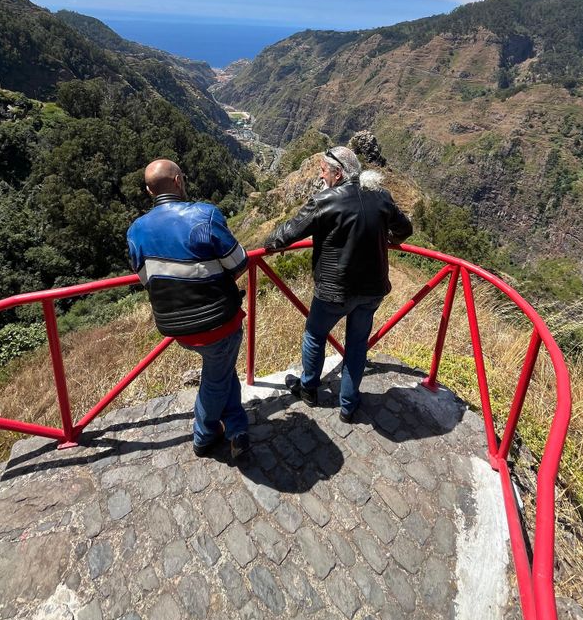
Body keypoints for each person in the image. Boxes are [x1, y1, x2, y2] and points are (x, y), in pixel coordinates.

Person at [264, 146, 412, 422]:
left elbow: (286, 234)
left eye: (323, 171)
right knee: (357, 344)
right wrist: (389, 238)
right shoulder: (381, 197)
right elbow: (405, 229)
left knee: (314, 335)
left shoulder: (324, 201)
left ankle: (308, 388)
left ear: (338, 172)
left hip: (334, 291)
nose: (320, 176)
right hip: (372, 289)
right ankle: (348, 404)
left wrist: (270, 244)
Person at [127, 158, 250, 459]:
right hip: (217, 321)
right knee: (215, 377)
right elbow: (239, 262)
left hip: (175, 327)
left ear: (148, 191)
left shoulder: (136, 231)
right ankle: (204, 435)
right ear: (179, 181)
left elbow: (146, 279)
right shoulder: (204, 215)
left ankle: (236, 427)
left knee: (220, 370)